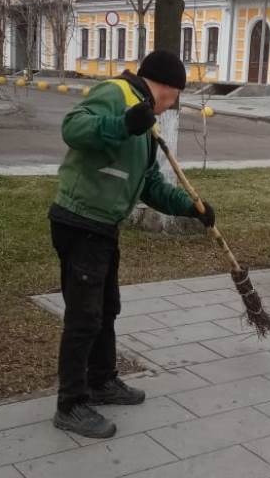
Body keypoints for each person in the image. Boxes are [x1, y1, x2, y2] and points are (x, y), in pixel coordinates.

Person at [48, 50, 215, 439]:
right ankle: (70, 404)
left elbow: (151, 186)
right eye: (175, 98)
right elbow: (73, 128)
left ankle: (102, 380)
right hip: (80, 220)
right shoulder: (116, 94)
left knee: (106, 308)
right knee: (84, 316)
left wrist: (192, 207)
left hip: (104, 226)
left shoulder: (148, 123)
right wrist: (124, 123)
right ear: (168, 89)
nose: (172, 106)